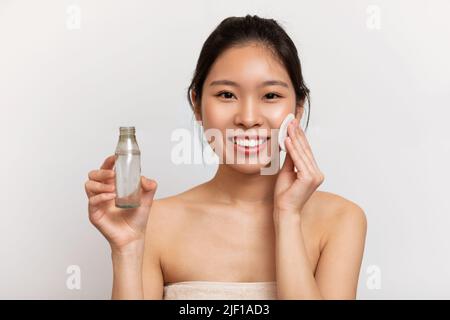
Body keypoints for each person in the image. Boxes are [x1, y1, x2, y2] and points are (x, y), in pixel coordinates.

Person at [84, 15, 367, 300]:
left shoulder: (340, 220)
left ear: (298, 108)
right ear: (197, 104)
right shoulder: (152, 223)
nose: (247, 118)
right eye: (226, 94)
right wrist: (127, 250)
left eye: (270, 96)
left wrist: (288, 216)